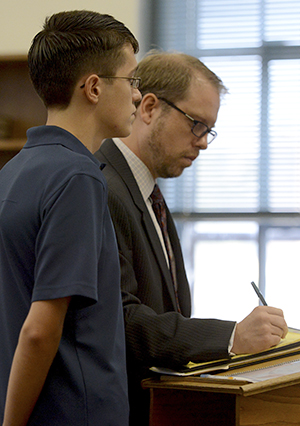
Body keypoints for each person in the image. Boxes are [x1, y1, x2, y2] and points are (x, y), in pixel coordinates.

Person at [94, 51, 288, 425]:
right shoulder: (103, 186)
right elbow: (120, 319)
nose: (202, 143)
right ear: (149, 107)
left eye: (208, 130)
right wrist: (231, 338)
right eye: (197, 124)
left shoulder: (148, 189)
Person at [0, 10, 141, 426]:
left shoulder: (12, 172)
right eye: (132, 80)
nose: (137, 95)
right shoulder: (77, 177)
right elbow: (40, 329)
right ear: (94, 87)